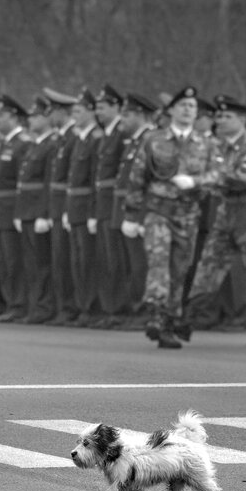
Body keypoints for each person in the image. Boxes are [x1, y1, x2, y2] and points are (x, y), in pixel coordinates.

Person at [122, 85, 219, 349]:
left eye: (192, 107)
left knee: (179, 269)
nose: (188, 111)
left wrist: (195, 181)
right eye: (183, 106)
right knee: (158, 261)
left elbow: (217, 175)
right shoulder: (154, 140)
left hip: (188, 214)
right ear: (172, 111)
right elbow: (137, 176)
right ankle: (155, 312)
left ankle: (169, 321)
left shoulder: (207, 143)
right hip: (158, 210)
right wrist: (132, 214)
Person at [186, 94, 246, 347]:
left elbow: (242, 177)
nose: (220, 120)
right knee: (209, 263)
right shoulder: (216, 146)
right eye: (218, 115)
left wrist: (203, 180)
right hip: (225, 208)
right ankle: (187, 319)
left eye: (227, 116)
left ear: (242, 120)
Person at [113, 92, 157, 327]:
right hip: (128, 210)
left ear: (141, 115)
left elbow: (151, 182)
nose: (123, 119)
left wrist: (140, 217)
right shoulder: (135, 142)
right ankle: (135, 309)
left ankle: (145, 312)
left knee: (143, 265)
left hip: (142, 213)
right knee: (132, 264)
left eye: (127, 114)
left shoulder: (151, 140)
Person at [0, 94, 30, 323]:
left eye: (1, 115)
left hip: (11, 209)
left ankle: (19, 304)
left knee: (14, 261)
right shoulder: (6, 143)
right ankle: (10, 302)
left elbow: (22, 183)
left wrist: (18, 213)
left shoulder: (22, 144)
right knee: (3, 261)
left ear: (13, 118)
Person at [15, 95, 56, 323]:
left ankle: (43, 306)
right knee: (30, 264)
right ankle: (34, 306)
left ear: (46, 118)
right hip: (27, 211)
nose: (31, 120)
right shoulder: (35, 145)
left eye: (35, 116)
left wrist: (43, 213)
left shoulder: (50, 145)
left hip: (37, 212)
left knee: (41, 264)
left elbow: (48, 183)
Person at [63, 88, 101, 327]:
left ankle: (91, 308)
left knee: (89, 261)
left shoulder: (96, 138)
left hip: (87, 207)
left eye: (78, 111)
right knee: (77, 262)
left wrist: (92, 213)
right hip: (74, 207)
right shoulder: (80, 138)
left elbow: (95, 179)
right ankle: (82, 306)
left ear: (90, 111)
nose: (74, 115)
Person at [92, 84, 129, 327]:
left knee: (118, 261)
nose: (98, 112)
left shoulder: (122, 134)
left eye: (103, 107)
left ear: (116, 107)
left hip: (117, 203)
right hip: (104, 204)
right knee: (106, 260)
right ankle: (110, 309)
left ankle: (121, 310)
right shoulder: (106, 133)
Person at [43, 86, 80, 325]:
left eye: (51, 112)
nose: (49, 118)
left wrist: (65, 210)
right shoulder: (62, 139)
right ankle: (62, 307)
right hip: (57, 208)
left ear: (61, 112)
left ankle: (69, 308)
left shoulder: (73, 139)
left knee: (68, 262)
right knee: (58, 261)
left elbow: (71, 179)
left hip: (68, 208)